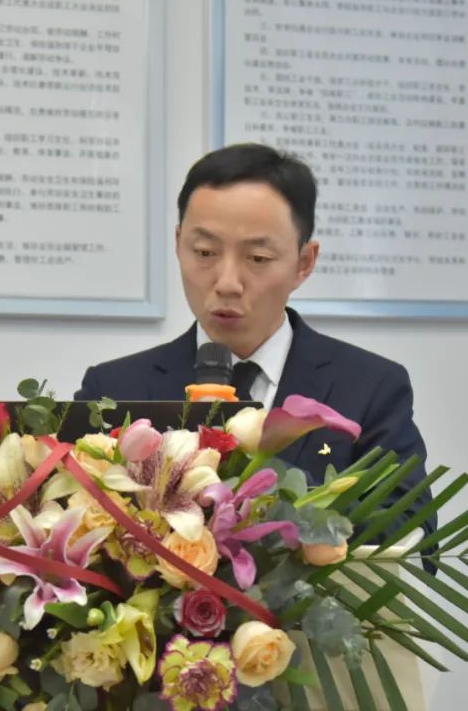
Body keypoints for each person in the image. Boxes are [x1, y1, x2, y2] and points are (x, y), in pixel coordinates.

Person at [75, 143, 434, 540]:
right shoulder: (113, 389)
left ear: (304, 263)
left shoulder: (370, 388)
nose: (227, 282)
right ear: (178, 244)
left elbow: (410, 533)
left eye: (258, 258)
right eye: (205, 252)